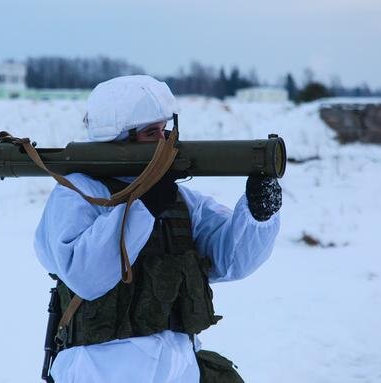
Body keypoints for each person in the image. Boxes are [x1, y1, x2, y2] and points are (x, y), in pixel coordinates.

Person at [34, 75, 281, 383]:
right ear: (119, 139)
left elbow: (231, 260)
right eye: (152, 133)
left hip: (178, 370)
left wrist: (259, 214)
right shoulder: (77, 193)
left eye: (165, 130)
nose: (164, 143)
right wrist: (143, 207)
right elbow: (85, 275)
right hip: (98, 371)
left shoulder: (177, 198)